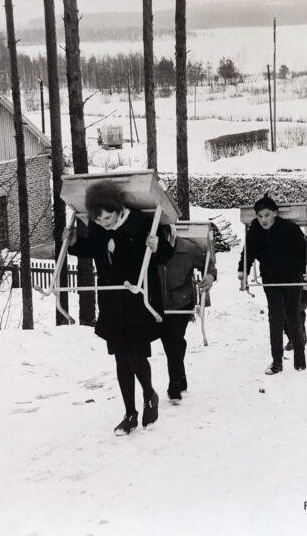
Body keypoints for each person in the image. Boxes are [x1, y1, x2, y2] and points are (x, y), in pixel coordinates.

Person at [67, 180, 174, 435]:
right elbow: (91, 249)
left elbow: (165, 254)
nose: (103, 223)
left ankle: (149, 395)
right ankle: (130, 413)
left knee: (134, 353)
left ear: (118, 209)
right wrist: (71, 243)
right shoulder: (97, 227)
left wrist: (158, 247)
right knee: (120, 357)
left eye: (108, 217)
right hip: (111, 298)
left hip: (137, 297)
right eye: (99, 219)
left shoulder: (140, 222)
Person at [238, 194, 307, 374]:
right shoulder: (255, 231)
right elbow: (247, 253)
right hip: (271, 278)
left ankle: (300, 358)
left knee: (293, 316)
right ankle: (277, 362)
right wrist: (243, 274)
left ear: (275, 213)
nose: (263, 220)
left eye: (267, 215)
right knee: (275, 318)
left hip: (292, 276)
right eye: (260, 216)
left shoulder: (289, 229)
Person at [158, 225, 217, 400]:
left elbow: (208, 263)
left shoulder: (188, 249)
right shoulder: (149, 250)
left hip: (182, 301)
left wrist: (210, 276)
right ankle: (180, 375)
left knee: (174, 338)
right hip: (159, 302)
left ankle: (174, 382)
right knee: (168, 341)